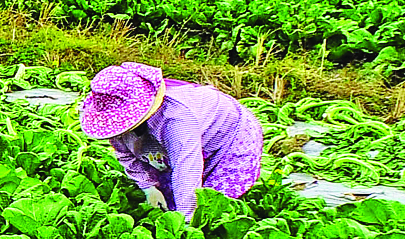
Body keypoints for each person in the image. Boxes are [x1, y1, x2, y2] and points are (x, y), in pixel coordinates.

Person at [79, 62, 265, 217]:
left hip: (231, 137)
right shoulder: (118, 126)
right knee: (167, 197)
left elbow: (186, 169)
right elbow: (125, 154)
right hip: (186, 138)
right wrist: (148, 187)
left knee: (210, 204)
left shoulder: (176, 119)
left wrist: (184, 223)